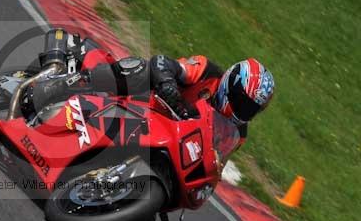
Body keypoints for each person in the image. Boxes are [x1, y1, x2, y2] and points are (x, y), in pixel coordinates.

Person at [29, 29, 275, 143]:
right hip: (142, 100)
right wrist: (168, 85)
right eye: (243, 100)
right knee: (140, 68)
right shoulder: (206, 71)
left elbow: (214, 163)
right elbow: (162, 63)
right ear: (231, 83)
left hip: (158, 135)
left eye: (251, 108)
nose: (243, 110)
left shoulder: (237, 134)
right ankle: (62, 84)